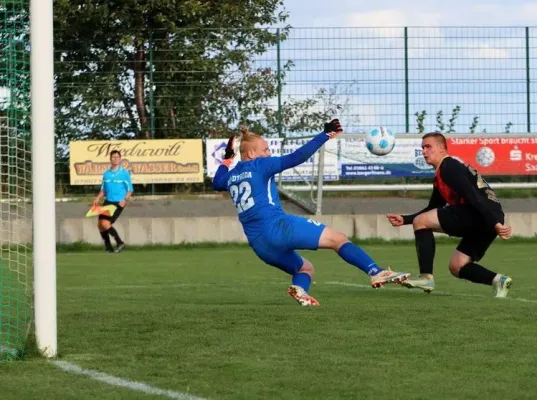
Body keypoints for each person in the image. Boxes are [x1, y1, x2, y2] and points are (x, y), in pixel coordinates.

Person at [212, 120, 410, 306]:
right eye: (266, 149)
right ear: (252, 154)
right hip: (278, 228)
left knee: (305, 268)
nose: (269, 152)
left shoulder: (232, 176)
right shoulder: (261, 165)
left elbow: (216, 182)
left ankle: (300, 290)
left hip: (259, 244)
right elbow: (296, 157)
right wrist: (326, 134)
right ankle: (376, 272)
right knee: (338, 239)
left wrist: (228, 158)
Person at [386, 132, 513, 297]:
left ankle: (426, 277)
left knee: (421, 222)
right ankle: (498, 280)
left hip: (481, 215)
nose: (424, 151)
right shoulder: (443, 172)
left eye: (428, 147)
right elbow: (434, 206)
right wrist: (405, 219)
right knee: (457, 266)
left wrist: (495, 223)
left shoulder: (449, 166)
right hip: (487, 217)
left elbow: (472, 195)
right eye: (422, 148)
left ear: (441, 148)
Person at [93, 150, 133, 253]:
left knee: (106, 223)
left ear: (120, 159)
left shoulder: (124, 173)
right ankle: (108, 247)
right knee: (100, 224)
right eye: (113, 157)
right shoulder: (106, 174)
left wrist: (125, 199)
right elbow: (103, 190)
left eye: (117, 157)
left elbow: (130, 190)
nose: (115, 159)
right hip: (107, 202)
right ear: (110, 159)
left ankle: (120, 243)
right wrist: (98, 198)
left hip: (118, 203)